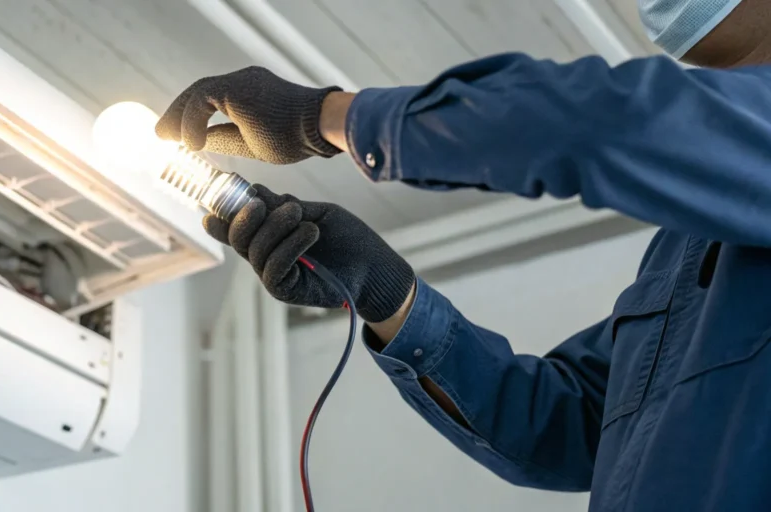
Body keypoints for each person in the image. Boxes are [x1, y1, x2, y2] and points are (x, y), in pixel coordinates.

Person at [155, 0, 771, 510]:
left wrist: (327, 118)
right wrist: (382, 291)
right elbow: (559, 425)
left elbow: (601, 122)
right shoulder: (688, 247)